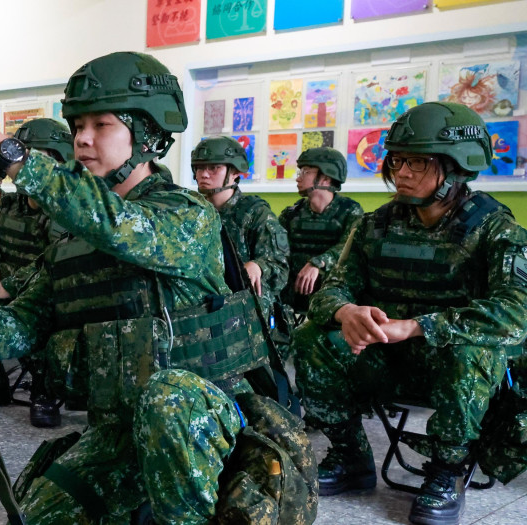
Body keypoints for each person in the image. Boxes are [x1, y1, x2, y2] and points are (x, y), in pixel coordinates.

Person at [0, 51, 315, 524]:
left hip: (210, 428)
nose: (82, 138)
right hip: (121, 430)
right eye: (77, 126)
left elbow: (119, 225)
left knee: (168, 396)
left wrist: (9, 153)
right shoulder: (74, 238)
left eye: (101, 125)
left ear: (145, 134)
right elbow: (29, 320)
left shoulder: (186, 215)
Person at [294, 101, 527, 525]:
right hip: (386, 359)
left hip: (456, 371)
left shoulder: (495, 228)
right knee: (311, 336)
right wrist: (346, 312)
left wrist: (419, 326)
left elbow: (515, 313)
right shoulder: (374, 224)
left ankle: (447, 471)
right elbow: (331, 291)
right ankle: (350, 456)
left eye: (417, 162)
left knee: (469, 349)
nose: (400, 172)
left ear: (458, 166)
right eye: (397, 160)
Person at [0, 118, 74, 427]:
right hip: (5, 291)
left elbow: (49, 265)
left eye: (37, 158)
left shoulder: (65, 211)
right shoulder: (7, 207)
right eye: (23, 157)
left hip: (48, 296)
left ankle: (44, 391)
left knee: (41, 320)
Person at [192, 136, 290, 331]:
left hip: (243, 306)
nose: (204, 175)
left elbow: (280, 265)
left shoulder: (255, 213)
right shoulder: (193, 211)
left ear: (235, 172)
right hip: (204, 300)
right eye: (199, 168)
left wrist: (258, 266)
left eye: (214, 168)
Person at [280, 147, 364, 315]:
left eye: (305, 172)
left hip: (332, 297)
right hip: (292, 297)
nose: (298, 178)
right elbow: (277, 250)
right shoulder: (291, 214)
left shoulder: (350, 211)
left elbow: (348, 247)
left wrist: (317, 263)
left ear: (325, 178)